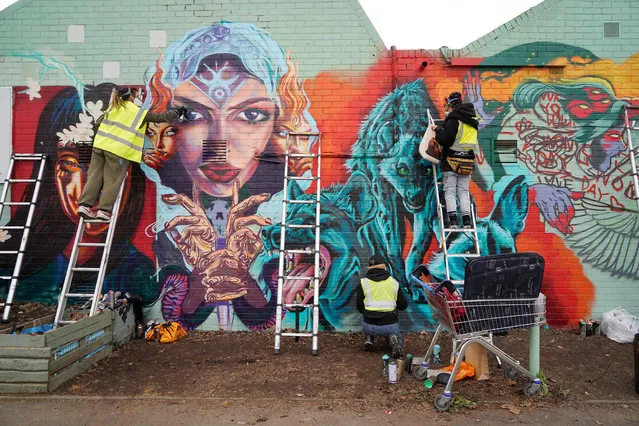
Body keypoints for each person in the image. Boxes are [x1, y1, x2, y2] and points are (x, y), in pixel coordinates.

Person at [140, 22, 319, 331]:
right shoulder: (155, 210)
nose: (219, 144)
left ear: (279, 125)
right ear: (168, 130)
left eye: (250, 115)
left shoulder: (292, 210)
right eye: (192, 116)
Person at [0, 84, 157, 303]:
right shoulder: (12, 258)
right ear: (52, 173)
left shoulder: (138, 272)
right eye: (71, 163)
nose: (88, 181)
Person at [77, 87, 186, 221]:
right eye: (136, 97)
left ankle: (84, 205)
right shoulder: (137, 112)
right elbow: (159, 118)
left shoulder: (112, 107)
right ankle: (103, 211)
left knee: (94, 176)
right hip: (118, 151)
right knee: (113, 180)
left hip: (100, 146)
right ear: (130, 97)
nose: (138, 99)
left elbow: (98, 124)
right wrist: (178, 112)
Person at [432, 91, 479, 229]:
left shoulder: (454, 120)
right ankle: (467, 221)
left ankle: (453, 221)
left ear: (451, 104)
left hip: (452, 161)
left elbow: (446, 139)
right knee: (463, 191)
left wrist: (438, 131)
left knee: (450, 191)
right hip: (467, 162)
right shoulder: (472, 122)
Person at [356, 253, 407, 358]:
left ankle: (369, 337)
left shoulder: (363, 283)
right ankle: (394, 340)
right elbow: (403, 306)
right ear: (384, 266)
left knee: (366, 315)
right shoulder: (394, 283)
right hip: (390, 326)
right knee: (393, 324)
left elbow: (359, 306)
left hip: (369, 324)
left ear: (369, 267)